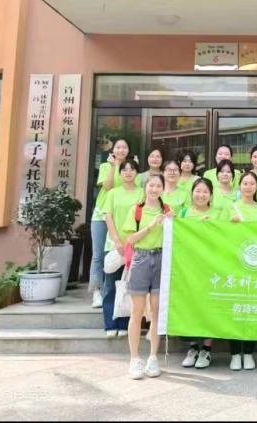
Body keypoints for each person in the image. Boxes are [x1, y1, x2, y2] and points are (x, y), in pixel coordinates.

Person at [123, 174, 173, 379]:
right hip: (141, 258)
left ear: (163, 188)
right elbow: (130, 239)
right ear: (145, 188)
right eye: (151, 185)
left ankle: (153, 357)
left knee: (156, 312)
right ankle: (134, 359)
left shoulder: (167, 210)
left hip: (162, 259)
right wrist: (151, 225)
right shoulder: (136, 210)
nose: (154, 189)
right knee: (137, 312)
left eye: (158, 186)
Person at [223, 171, 257, 371]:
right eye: (245, 183)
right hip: (235, 264)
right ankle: (234, 354)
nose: (248, 187)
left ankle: (249, 353)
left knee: (252, 310)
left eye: (252, 184)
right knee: (236, 309)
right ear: (239, 186)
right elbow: (219, 234)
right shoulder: (230, 208)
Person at [180, 178, 223, 368]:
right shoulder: (183, 213)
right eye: (197, 191)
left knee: (210, 306)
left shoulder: (218, 214)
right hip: (188, 268)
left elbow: (224, 238)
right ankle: (192, 348)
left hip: (211, 268)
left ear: (211, 195)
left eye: (205, 192)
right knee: (189, 306)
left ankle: (206, 350)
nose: (201, 195)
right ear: (192, 193)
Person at [100, 157, 142, 337]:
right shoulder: (113, 193)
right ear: (120, 172)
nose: (128, 172)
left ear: (137, 173)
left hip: (135, 245)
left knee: (128, 285)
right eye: (125, 169)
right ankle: (110, 325)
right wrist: (117, 241)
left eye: (132, 169)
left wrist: (132, 241)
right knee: (110, 285)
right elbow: (108, 217)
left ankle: (124, 323)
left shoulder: (142, 193)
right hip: (113, 244)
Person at [90, 138, 130, 309]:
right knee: (98, 255)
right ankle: (96, 292)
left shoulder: (129, 168)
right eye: (118, 147)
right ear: (113, 150)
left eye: (124, 147)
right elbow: (107, 186)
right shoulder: (106, 166)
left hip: (119, 216)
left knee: (116, 253)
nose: (121, 150)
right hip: (101, 214)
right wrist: (113, 166)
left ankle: (112, 292)